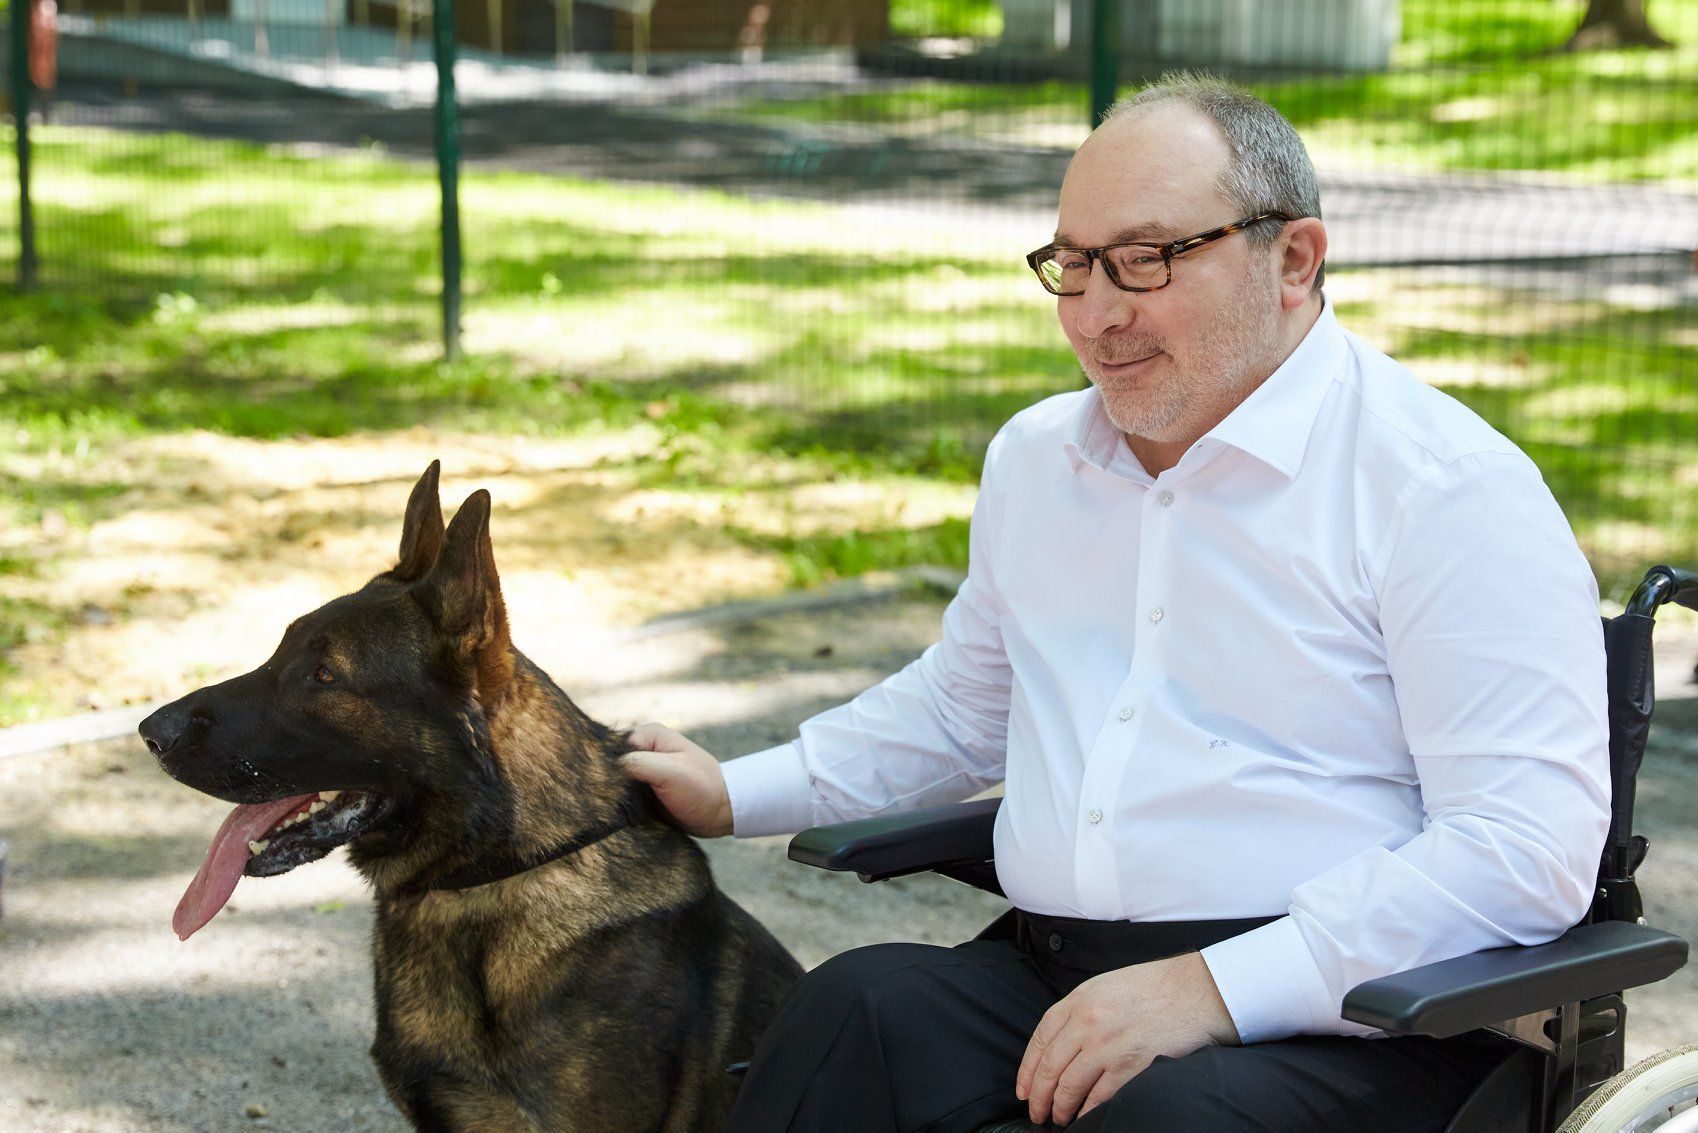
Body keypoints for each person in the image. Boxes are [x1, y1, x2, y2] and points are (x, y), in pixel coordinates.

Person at [621, 72, 1611, 1132]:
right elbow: (962, 708)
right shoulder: (1039, 457)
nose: (1096, 314)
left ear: (1294, 258)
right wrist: (735, 791)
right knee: (854, 1012)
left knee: (1169, 1118)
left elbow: (1523, 846)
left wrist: (1214, 987)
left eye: (1145, 259)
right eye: (1074, 264)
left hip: (1361, 1013)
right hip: (1061, 973)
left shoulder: (1442, 487)